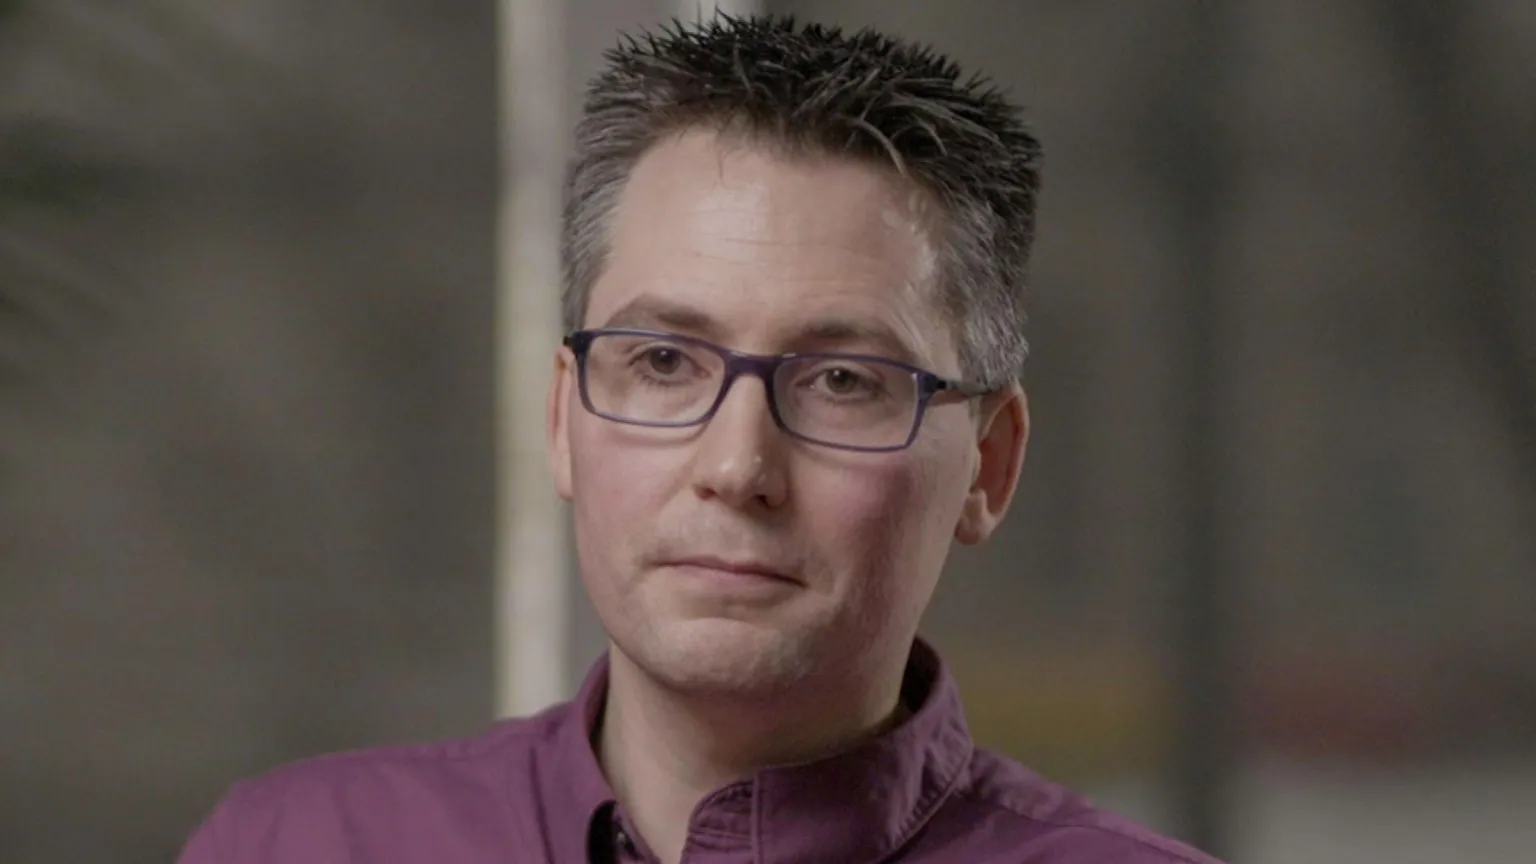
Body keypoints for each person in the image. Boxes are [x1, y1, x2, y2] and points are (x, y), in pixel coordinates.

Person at [178, 14, 1221, 864]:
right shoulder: (299, 845)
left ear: (988, 467)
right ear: (561, 418)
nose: (736, 469)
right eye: (665, 363)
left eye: (843, 381)